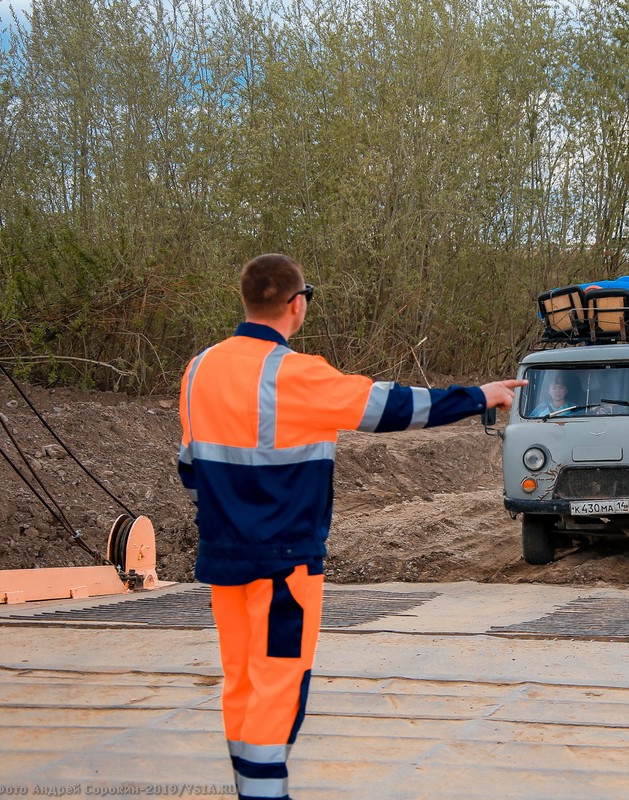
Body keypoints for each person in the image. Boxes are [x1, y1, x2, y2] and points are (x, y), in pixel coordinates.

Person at [177, 254, 525, 800]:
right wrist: (479, 396)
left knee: (242, 680)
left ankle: (251, 788)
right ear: (297, 305)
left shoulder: (200, 369)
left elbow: (190, 470)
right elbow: (392, 406)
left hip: (224, 557)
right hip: (284, 560)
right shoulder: (296, 373)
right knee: (278, 683)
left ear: (245, 300)